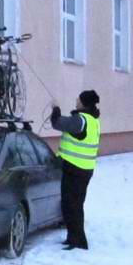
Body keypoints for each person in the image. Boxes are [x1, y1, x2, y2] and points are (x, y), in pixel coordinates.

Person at [51, 90, 101, 251]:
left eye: (78, 99)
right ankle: (73, 237)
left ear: (83, 103)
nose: (76, 100)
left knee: (71, 206)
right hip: (84, 169)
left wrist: (55, 112)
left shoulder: (81, 120)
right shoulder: (93, 120)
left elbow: (58, 123)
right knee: (75, 205)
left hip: (75, 169)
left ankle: (78, 241)